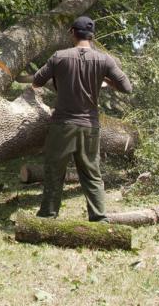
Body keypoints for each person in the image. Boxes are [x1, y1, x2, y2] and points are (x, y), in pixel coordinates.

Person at [30, 16, 132, 221]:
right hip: (90, 126)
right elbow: (126, 88)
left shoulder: (59, 57)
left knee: (54, 172)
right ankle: (99, 217)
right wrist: (106, 80)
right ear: (92, 36)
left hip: (63, 125)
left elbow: (37, 81)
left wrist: (59, 75)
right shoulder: (104, 59)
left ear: (72, 33)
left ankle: (48, 216)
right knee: (92, 174)